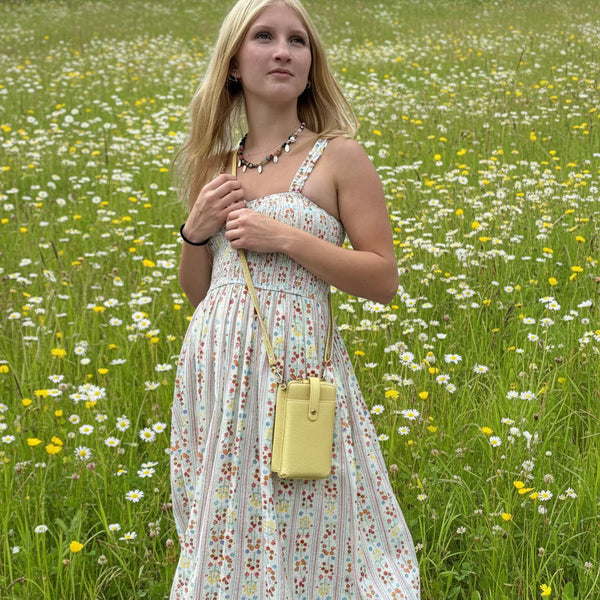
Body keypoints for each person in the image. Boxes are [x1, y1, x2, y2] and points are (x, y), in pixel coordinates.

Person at [169, 0, 421, 598]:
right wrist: (194, 230)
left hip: (296, 367)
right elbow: (199, 291)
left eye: (297, 41)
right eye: (264, 37)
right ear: (233, 62)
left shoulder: (339, 155)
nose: (283, 51)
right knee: (227, 514)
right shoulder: (216, 165)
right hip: (216, 370)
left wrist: (284, 236)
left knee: (309, 505)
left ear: (311, 65)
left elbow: (383, 278)